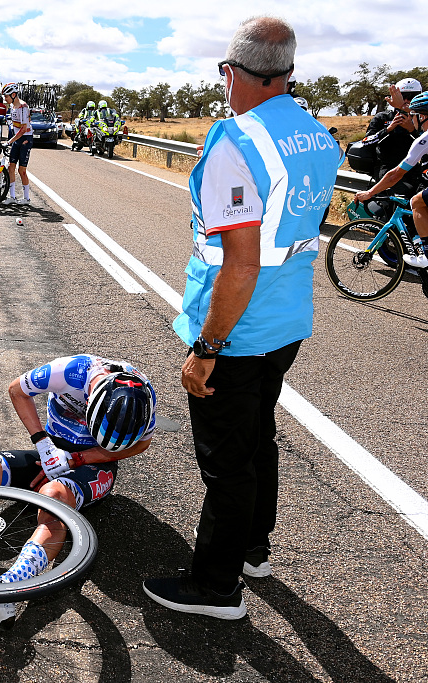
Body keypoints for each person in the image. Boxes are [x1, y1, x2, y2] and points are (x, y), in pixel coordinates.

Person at [143, 16, 340, 619]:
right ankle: (255, 549)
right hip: (287, 322)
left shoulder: (235, 140)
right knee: (259, 442)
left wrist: (207, 347)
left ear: (232, 72)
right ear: (286, 73)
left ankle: (215, 587)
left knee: (227, 463)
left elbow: (240, 264)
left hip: (239, 328)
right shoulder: (317, 134)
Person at [0, 354, 157, 628]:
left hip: (96, 465)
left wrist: (79, 459)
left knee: (53, 496)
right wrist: (42, 442)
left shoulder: (143, 399)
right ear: (90, 401)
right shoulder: (72, 371)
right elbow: (17, 389)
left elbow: (141, 444)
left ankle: (8, 592)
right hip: (50, 450)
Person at [355, 91, 428, 268]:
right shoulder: (383, 119)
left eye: (414, 115)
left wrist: (370, 193)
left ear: (423, 116)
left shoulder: (423, 139)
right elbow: (367, 141)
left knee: (417, 202)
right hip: (407, 174)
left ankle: (426, 253)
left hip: (406, 173)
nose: (412, 119)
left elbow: (395, 175)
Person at [364, 78, 422, 185]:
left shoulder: (421, 119)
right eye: (403, 97)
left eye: (412, 97)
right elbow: (366, 142)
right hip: (386, 167)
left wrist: (412, 130)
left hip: (413, 167)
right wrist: (388, 129)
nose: (407, 101)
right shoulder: (382, 117)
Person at [1, 83, 33, 206]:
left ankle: (26, 198)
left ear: (14, 95)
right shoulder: (12, 106)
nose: (5, 99)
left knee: (22, 170)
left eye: (6, 96)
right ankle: (12, 197)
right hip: (17, 139)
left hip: (25, 139)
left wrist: (9, 141)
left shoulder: (23, 107)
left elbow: (24, 129)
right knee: (11, 167)